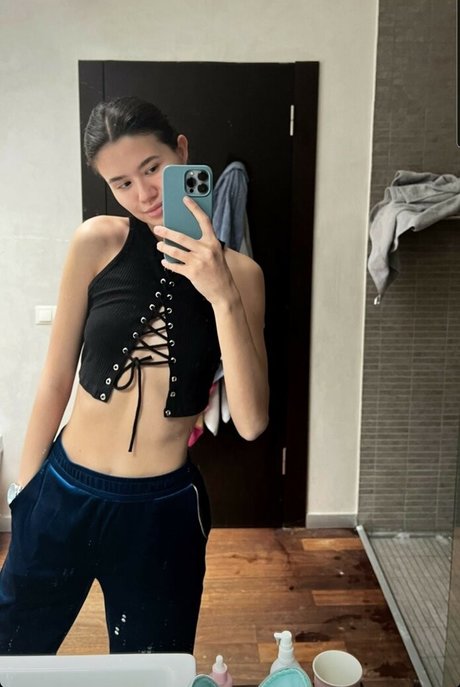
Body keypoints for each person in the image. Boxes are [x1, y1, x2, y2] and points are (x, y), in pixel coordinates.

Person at [0, 96, 269, 655]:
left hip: (162, 514)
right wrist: (25, 497)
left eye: (152, 168)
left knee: (152, 669)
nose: (144, 194)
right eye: (121, 183)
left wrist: (221, 293)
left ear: (182, 152)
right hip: (62, 492)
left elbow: (251, 422)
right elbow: (55, 379)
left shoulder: (243, 276)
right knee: (13, 653)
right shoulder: (97, 243)